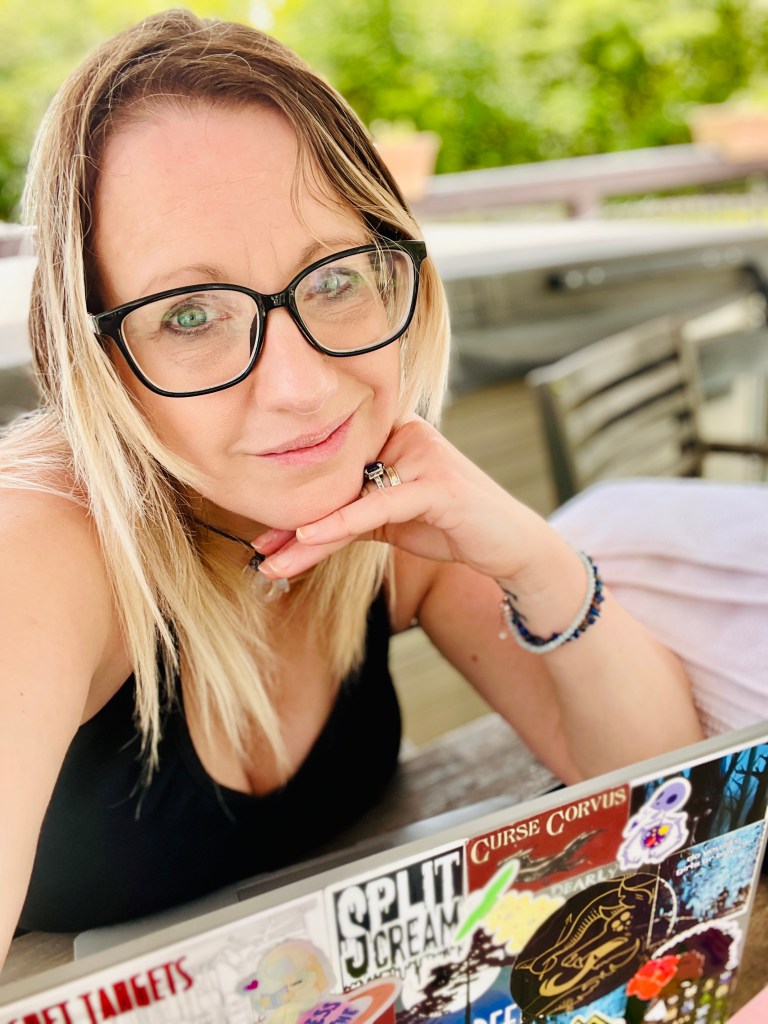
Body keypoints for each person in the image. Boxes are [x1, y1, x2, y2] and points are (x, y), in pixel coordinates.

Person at [0, 9, 702, 961]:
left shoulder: (388, 505)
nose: (300, 387)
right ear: (89, 352)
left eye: (332, 279)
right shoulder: (38, 554)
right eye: (190, 314)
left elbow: (665, 807)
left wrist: (532, 559)